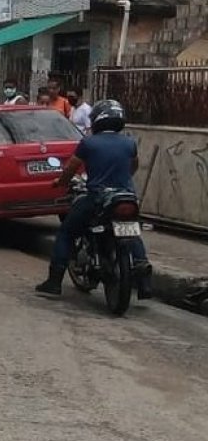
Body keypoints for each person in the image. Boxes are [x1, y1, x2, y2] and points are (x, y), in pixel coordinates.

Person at [35, 99, 152, 299]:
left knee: (66, 232)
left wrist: (61, 182)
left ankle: (54, 282)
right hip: (126, 197)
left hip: (98, 198)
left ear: (97, 120)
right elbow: (133, 166)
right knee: (132, 231)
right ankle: (144, 281)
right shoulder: (129, 142)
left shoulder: (89, 143)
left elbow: (71, 168)